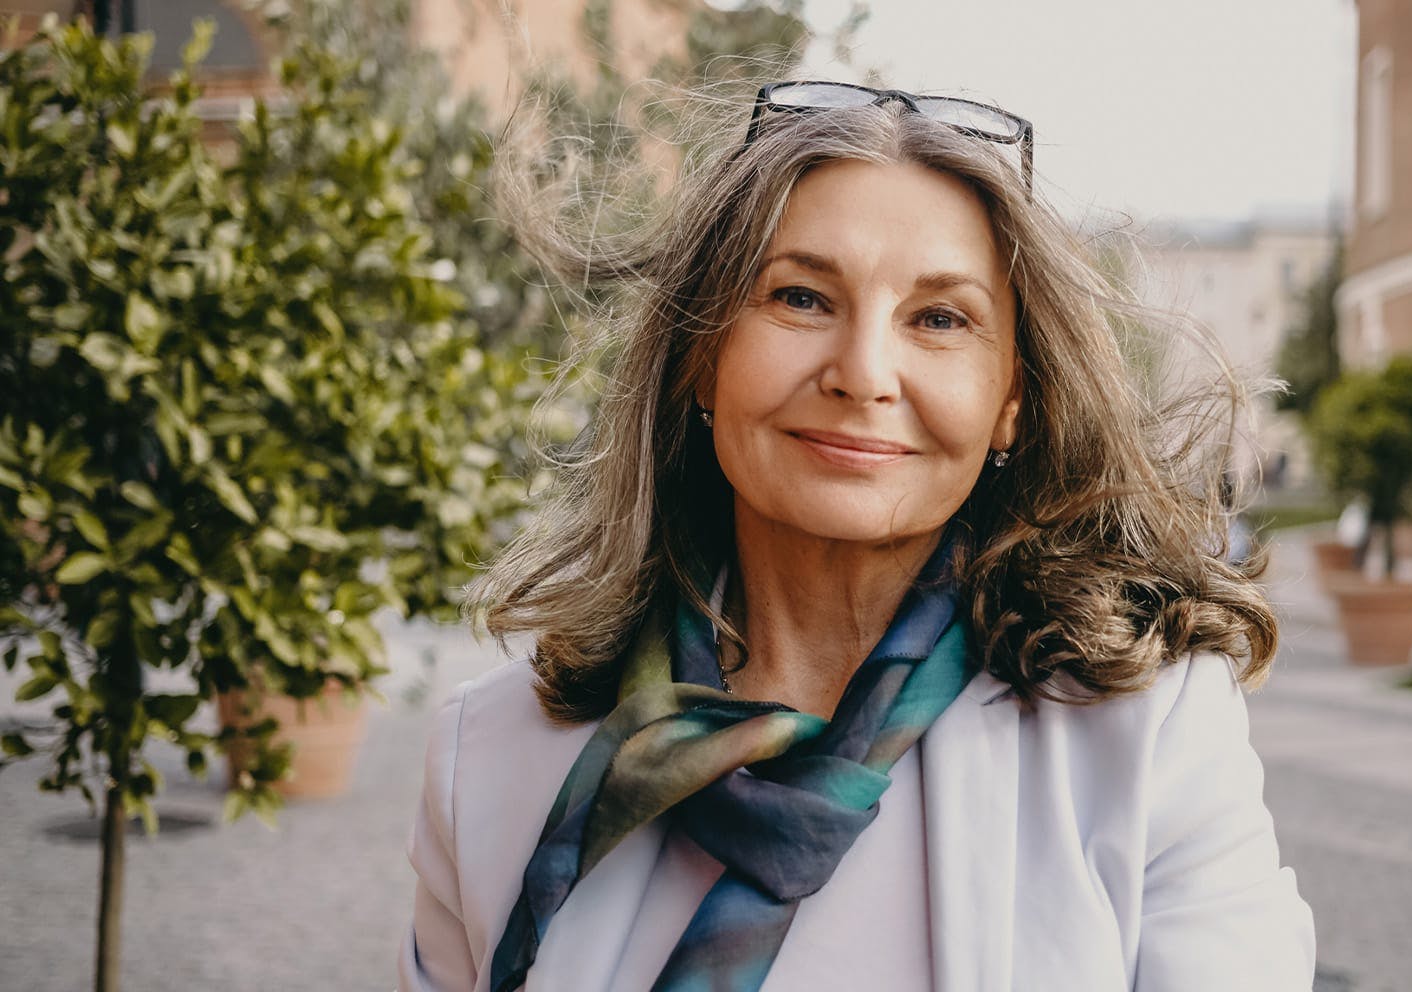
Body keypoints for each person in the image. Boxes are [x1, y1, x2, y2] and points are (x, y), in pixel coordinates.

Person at [399, 80, 1315, 991]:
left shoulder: (1150, 735)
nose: (865, 372)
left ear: (1011, 402)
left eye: (940, 319)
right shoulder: (489, 756)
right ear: (700, 359)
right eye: (800, 298)